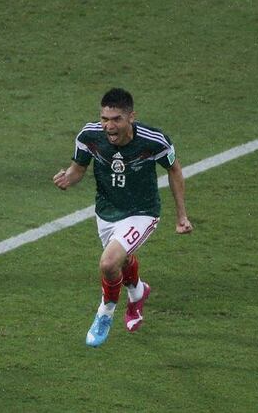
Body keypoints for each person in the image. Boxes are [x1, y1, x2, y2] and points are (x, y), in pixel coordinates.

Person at [52, 88, 192, 348]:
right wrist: (67, 179)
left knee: (108, 263)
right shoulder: (89, 136)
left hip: (142, 212)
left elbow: (174, 169)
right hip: (106, 213)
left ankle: (104, 314)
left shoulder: (154, 141)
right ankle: (138, 292)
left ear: (131, 117)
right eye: (105, 119)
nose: (109, 126)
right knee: (122, 260)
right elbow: (78, 169)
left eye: (116, 119)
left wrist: (181, 215)